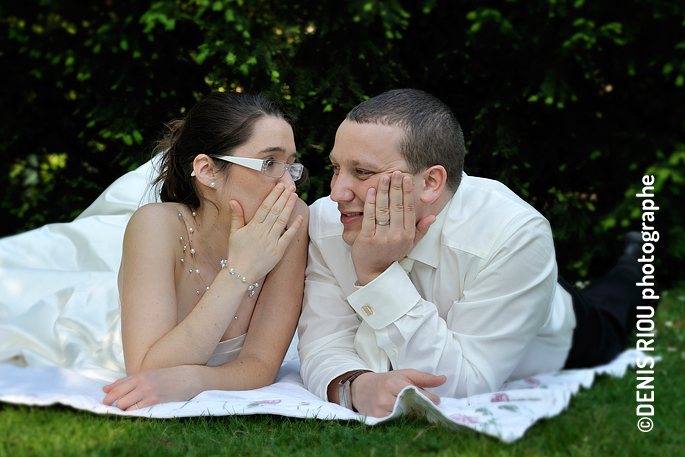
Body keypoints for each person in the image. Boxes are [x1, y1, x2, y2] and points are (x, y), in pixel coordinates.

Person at [297, 88, 653, 418]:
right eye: (335, 168)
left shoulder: (513, 235)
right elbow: (322, 343)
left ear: (431, 182)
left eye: (362, 172)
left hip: (560, 331)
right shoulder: (329, 221)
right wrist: (354, 384)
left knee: (613, 311)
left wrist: (376, 274)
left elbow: (462, 386)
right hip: (509, 282)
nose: (337, 192)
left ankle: (634, 263)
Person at [101, 92, 309, 411]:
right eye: (270, 163)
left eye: (291, 166)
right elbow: (147, 371)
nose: (289, 186)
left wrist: (194, 381)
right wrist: (240, 271)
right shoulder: (156, 226)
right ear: (208, 171)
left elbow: (261, 364)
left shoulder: (292, 220)